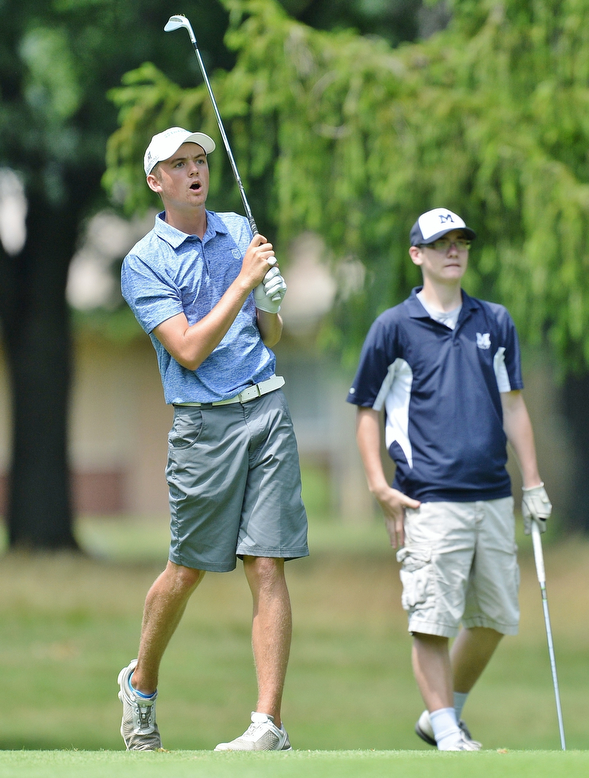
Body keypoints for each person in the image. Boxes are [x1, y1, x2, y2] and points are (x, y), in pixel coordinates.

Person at [118, 126, 308, 752]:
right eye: (179, 164)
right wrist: (246, 284)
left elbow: (269, 336)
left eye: (200, 160)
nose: (195, 170)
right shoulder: (144, 262)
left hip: (267, 408)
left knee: (267, 561)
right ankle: (141, 686)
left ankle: (268, 725)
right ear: (157, 181)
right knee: (188, 569)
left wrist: (272, 301)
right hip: (205, 425)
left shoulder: (235, 229)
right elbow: (192, 350)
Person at [346, 207, 551, 751]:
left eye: (461, 241)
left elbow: (513, 407)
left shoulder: (494, 320)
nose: (453, 251)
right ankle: (446, 728)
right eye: (441, 243)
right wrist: (377, 486)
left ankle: (441, 716)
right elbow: (367, 411)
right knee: (432, 620)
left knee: (495, 619)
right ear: (418, 255)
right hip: (426, 498)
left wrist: (532, 482)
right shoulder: (393, 327)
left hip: (492, 495)